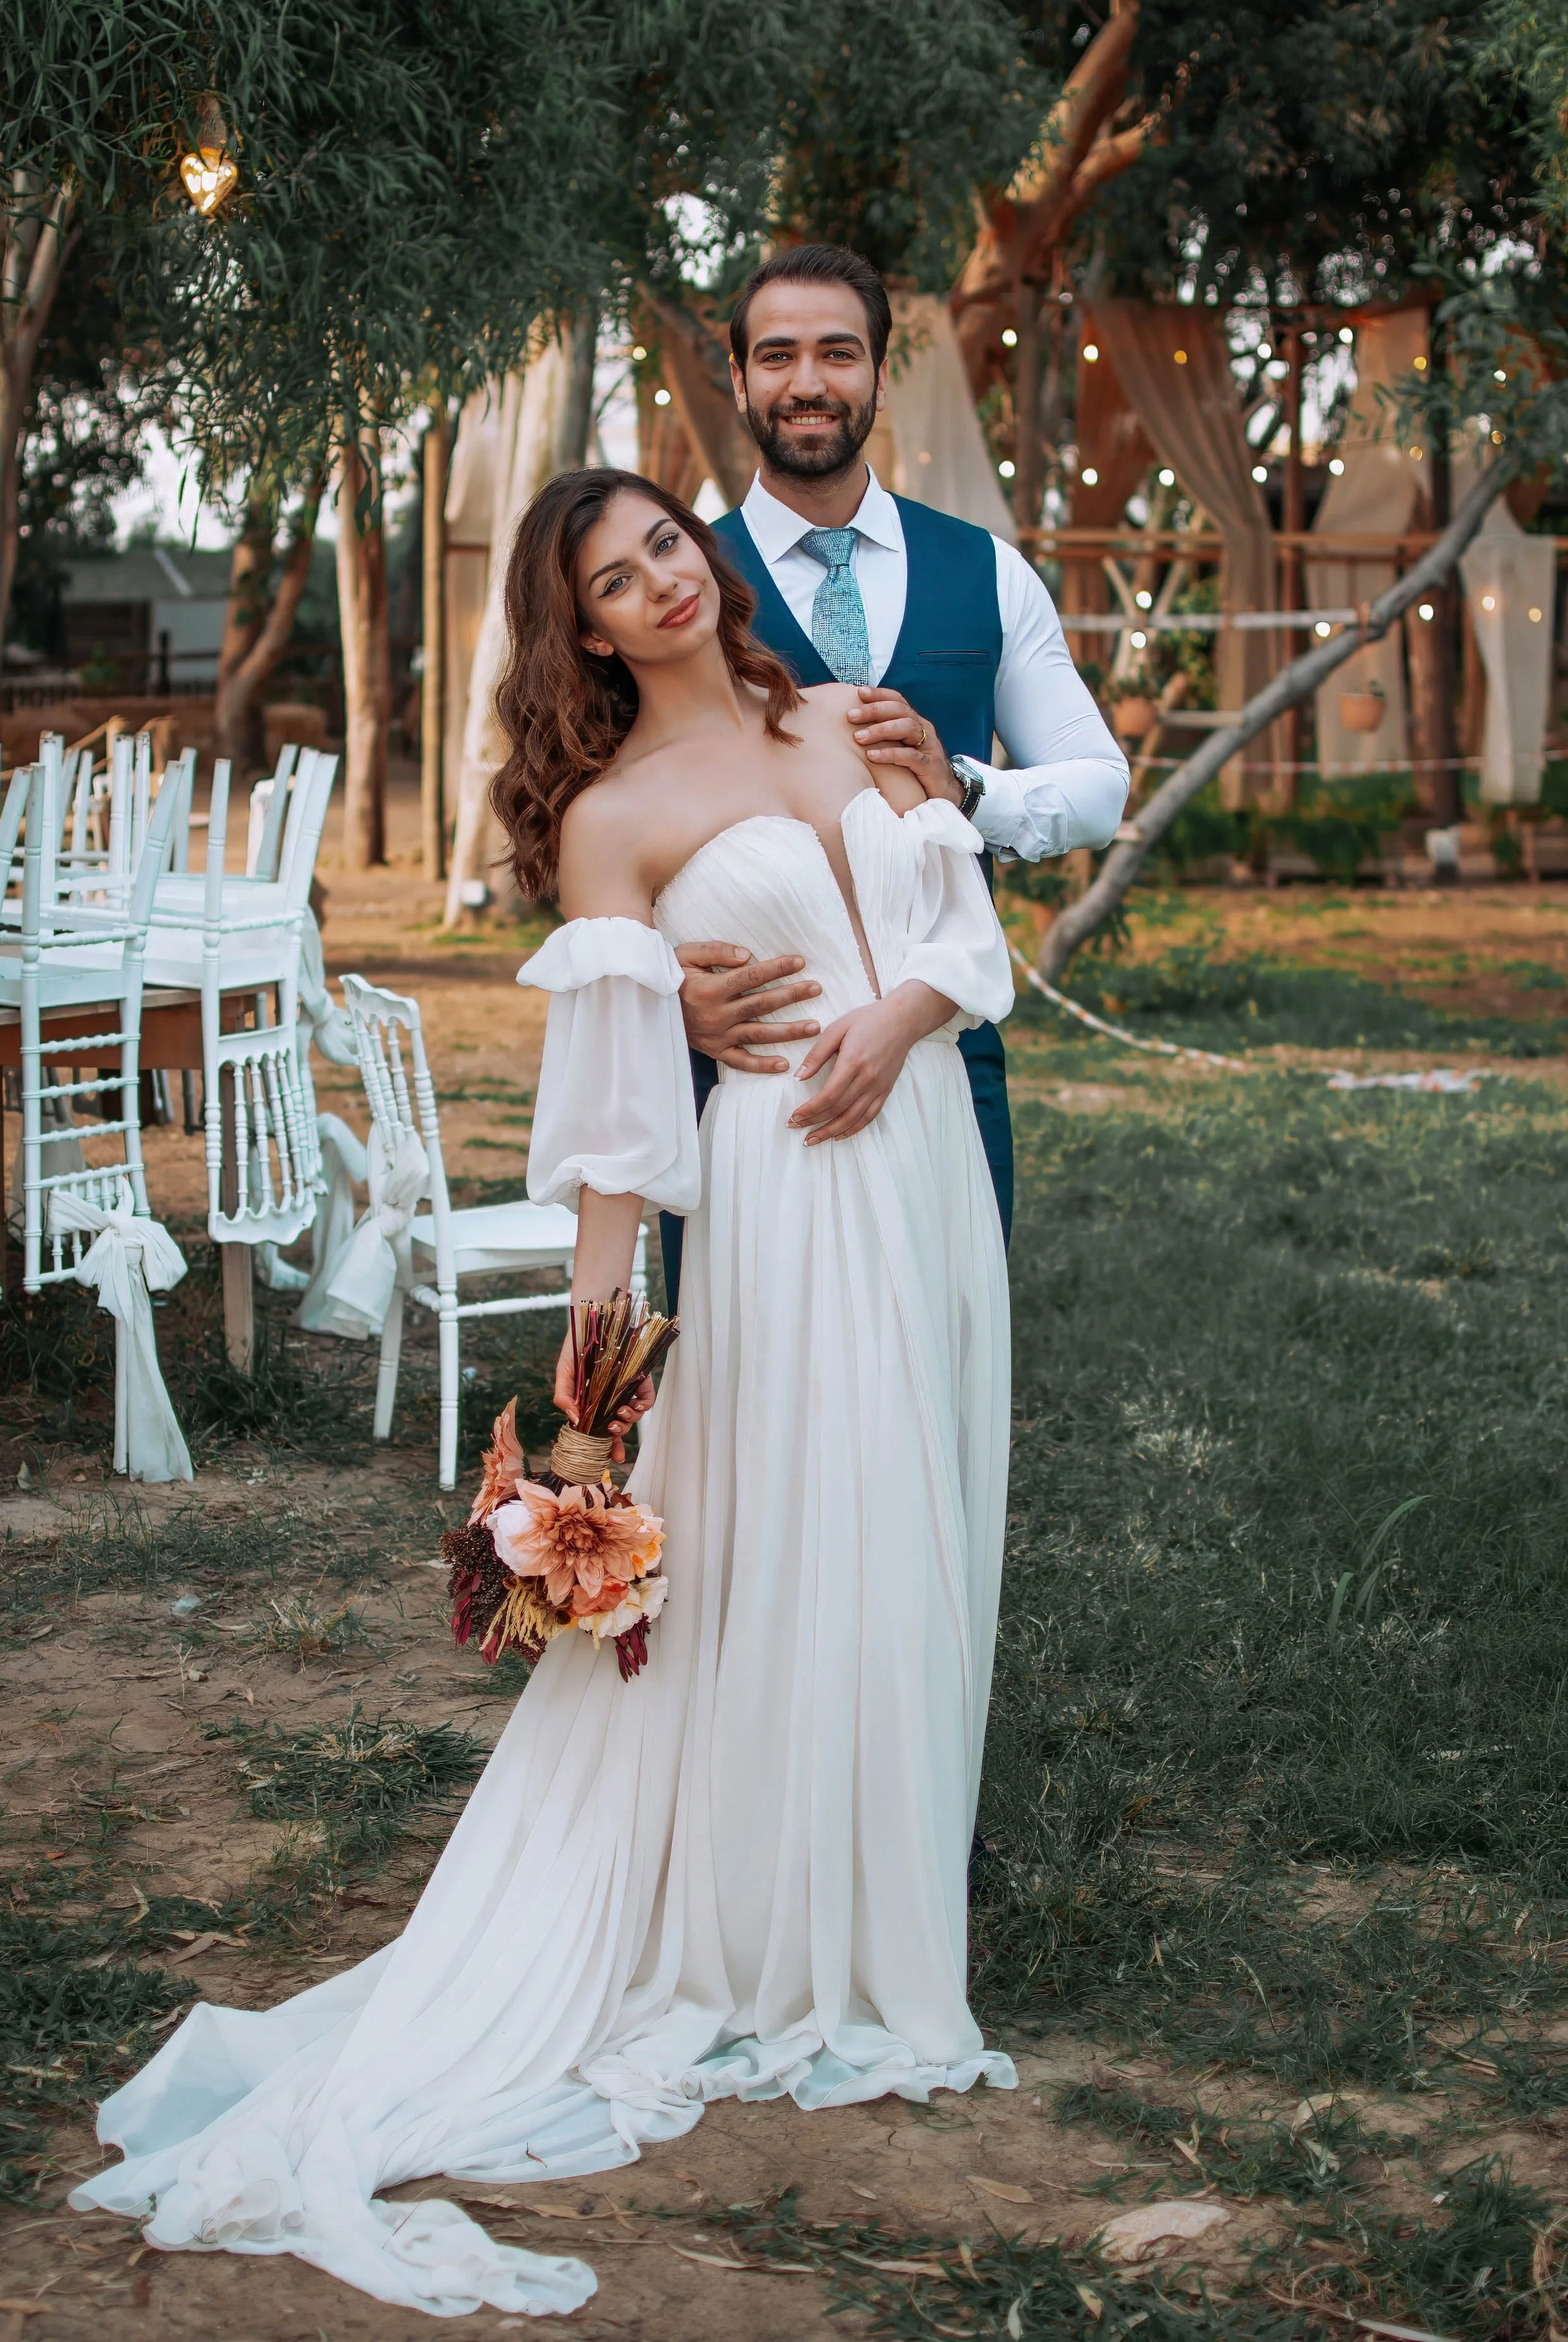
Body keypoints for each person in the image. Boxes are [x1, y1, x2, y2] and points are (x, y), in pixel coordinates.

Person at [67, 467, 1023, 2320]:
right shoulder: (611, 824)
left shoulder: (853, 718)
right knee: (791, 1546)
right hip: (782, 1208)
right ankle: (787, 1940)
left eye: (668, 541)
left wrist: (901, 1016)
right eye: (613, 575)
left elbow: (967, 943)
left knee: (923, 1523)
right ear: (580, 625)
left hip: (924, 1185)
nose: (660, 579)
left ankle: (888, 1902)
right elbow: (608, 1153)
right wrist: (590, 1429)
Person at [662, 240, 1128, 1311]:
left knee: (942, 1359)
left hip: (945, 1060)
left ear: (877, 373)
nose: (808, 383)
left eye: (839, 353)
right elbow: (605, 828)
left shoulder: (985, 568)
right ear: (737, 379)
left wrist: (968, 789)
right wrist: (662, 992)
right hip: (747, 1077)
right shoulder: (680, 584)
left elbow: (1099, 783)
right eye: (776, 356)